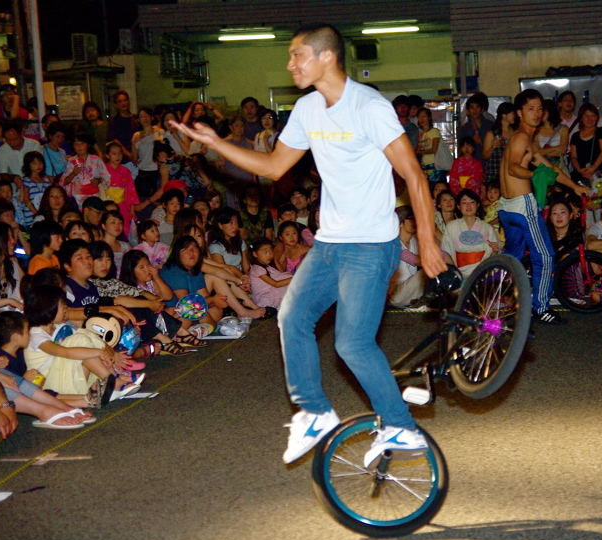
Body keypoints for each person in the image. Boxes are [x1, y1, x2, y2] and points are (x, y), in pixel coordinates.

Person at [169, 23, 446, 469]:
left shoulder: (369, 106)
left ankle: (400, 425)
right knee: (292, 317)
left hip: (372, 245)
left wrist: (428, 242)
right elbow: (276, 166)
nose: (290, 63)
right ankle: (314, 412)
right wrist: (217, 144)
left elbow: (414, 174)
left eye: (298, 55)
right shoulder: (306, 109)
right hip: (329, 244)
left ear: (326, 57)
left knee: (352, 344)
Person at [498, 89, 564, 324]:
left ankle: (490, 298)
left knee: (512, 257)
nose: (536, 113)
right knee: (545, 257)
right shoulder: (522, 138)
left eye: (539, 109)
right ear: (519, 113)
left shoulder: (524, 140)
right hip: (522, 205)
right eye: (530, 109)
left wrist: (575, 187)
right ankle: (540, 308)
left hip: (506, 208)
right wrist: (538, 176)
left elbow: (551, 169)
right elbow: (514, 168)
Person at [440, 189, 498, 278]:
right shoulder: (452, 226)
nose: (468, 206)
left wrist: (494, 251)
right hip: (458, 273)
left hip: (483, 273)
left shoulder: (487, 228)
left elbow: (494, 254)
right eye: (464, 203)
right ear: (458, 206)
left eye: (472, 202)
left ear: (478, 205)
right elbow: (445, 252)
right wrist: (455, 273)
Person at [387, 206, 427, 309]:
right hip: (395, 293)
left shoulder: (416, 242)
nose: (415, 222)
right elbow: (420, 261)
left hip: (411, 291)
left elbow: (442, 253)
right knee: (428, 270)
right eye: (411, 218)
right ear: (400, 223)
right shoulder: (393, 243)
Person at [61, 134, 109, 206]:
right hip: (77, 198)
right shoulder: (71, 161)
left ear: (88, 145)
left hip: (94, 196)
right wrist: (73, 173)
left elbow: (106, 178)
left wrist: (98, 180)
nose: (79, 146)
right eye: (76, 144)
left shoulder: (96, 160)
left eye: (82, 143)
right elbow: (63, 182)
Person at [248, 237, 292, 316]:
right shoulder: (256, 268)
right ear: (255, 254)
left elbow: (281, 275)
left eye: (271, 251)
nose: (269, 255)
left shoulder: (268, 266)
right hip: (264, 296)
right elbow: (276, 284)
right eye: (265, 252)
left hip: (271, 291)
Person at [569, 103, 602, 185]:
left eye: (593, 116)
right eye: (586, 116)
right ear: (581, 118)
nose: (590, 119)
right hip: (581, 175)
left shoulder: (601, 131)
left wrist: (593, 168)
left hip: (599, 174)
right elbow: (573, 156)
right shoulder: (575, 136)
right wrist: (579, 169)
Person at [482, 103, 515, 189]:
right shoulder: (492, 133)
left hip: (511, 174)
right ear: (504, 115)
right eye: (512, 113)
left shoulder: (515, 133)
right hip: (494, 174)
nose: (514, 116)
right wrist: (492, 147)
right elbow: (485, 156)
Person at [458, 92, 493, 162]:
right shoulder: (464, 129)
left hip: (490, 164)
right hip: (472, 166)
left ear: (482, 110)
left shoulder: (490, 125)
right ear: (467, 111)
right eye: (472, 107)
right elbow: (461, 150)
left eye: (477, 107)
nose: (475, 110)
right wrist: (472, 143)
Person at [415, 107, 444, 189]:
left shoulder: (434, 131)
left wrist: (421, 152)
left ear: (429, 117)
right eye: (419, 116)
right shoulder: (421, 134)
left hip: (434, 166)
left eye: (424, 116)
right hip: (424, 166)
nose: (421, 119)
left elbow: (434, 149)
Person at [106, 90, 140, 155]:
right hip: (123, 158)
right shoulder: (113, 122)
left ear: (129, 102)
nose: (123, 103)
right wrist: (129, 155)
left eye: (125, 100)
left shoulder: (136, 119)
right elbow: (114, 141)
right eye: (119, 101)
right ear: (115, 105)